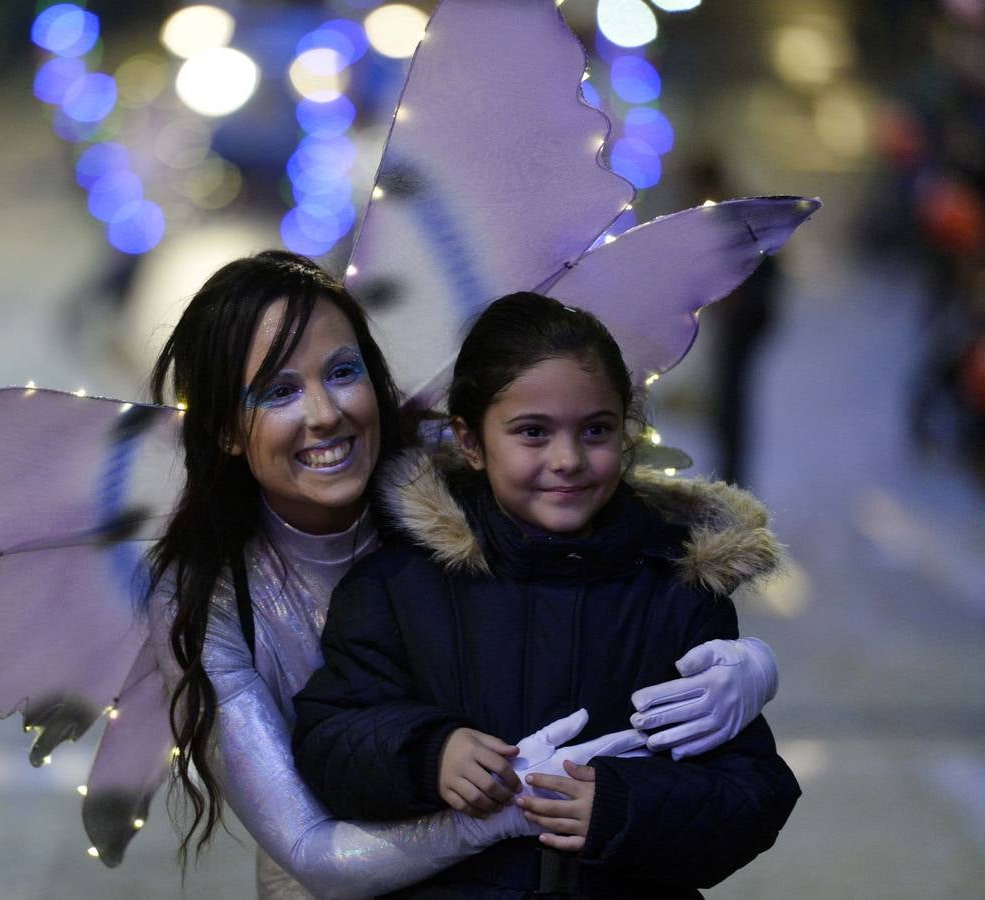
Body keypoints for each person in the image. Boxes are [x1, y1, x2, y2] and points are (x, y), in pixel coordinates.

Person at [147, 255, 786, 898]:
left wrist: (754, 664)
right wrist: (476, 788)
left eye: (344, 372)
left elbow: (628, 532)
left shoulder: (460, 486)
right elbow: (316, 835)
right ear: (227, 426)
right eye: (279, 391)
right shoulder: (211, 598)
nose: (323, 415)